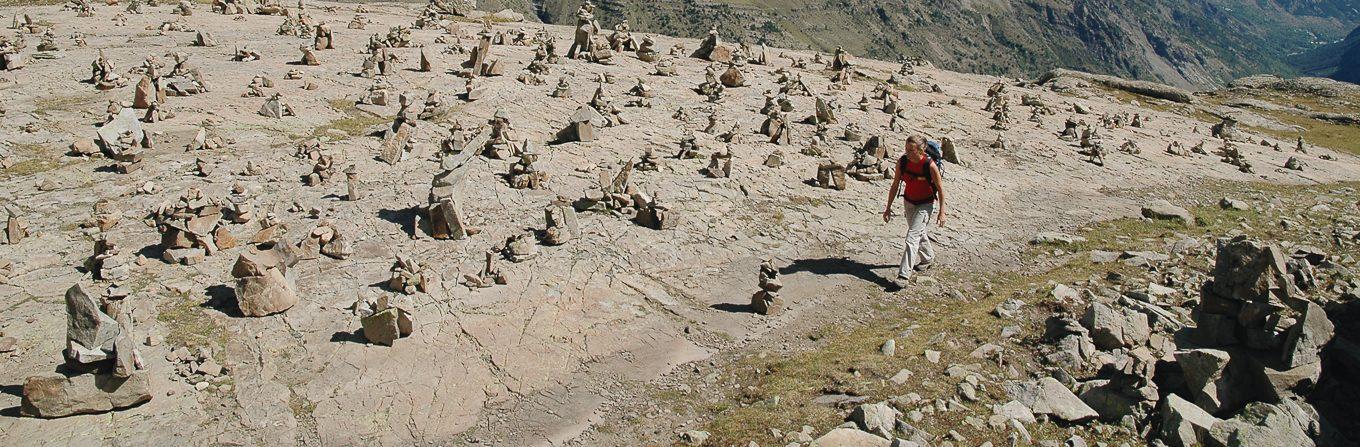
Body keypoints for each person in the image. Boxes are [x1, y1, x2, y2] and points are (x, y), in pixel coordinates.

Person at [882, 135, 946, 286]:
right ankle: (928, 258)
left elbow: (941, 189)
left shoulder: (930, 166)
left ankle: (903, 276)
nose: (908, 153)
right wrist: (888, 207)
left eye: (911, 150)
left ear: (921, 150)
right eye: (906, 149)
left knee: (912, 237)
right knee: (918, 232)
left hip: (926, 204)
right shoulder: (903, 162)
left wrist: (942, 212)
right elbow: (895, 185)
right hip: (909, 201)